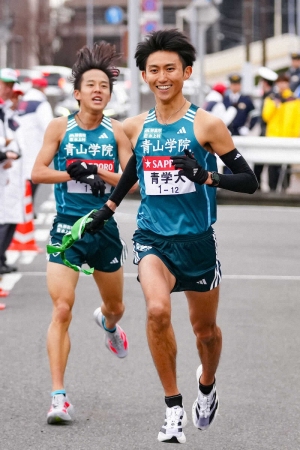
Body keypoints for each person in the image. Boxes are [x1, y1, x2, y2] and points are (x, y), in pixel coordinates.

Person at [84, 29, 258, 444]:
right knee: (157, 311)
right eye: (154, 69)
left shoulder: (207, 124)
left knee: (206, 333)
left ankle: (207, 386)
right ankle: (172, 408)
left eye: (170, 69)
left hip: (196, 241)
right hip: (152, 238)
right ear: (144, 75)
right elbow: (136, 170)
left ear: (186, 72)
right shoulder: (134, 126)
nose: (162, 76)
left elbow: (249, 181)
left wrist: (206, 175)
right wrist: (108, 208)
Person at [31, 41, 135, 424]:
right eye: (90, 85)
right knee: (61, 308)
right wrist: (69, 172)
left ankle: (108, 325)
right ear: (77, 93)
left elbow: (134, 182)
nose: (97, 90)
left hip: (103, 228)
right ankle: (59, 398)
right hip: (65, 230)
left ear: (110, 94)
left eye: (104, 86)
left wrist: (98, 173)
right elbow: (38, 173)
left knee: (117, 306)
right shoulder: (60, 127)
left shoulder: (118, 131)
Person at [18, 77, 53, 211]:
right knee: (34, 176)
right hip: (36, 145)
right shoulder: (41, 103)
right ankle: (28, 208)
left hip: (22, 144)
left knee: (25, 176)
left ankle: (26, 207)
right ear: (43, 88)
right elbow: (48, 126)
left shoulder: (23, 101)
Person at [0, 68, 23, 275]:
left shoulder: (7, 112)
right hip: (5, 170)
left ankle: (1, 259)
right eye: (4, 84)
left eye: (10, 86)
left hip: (8, 174)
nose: (7, 90)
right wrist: (4, 155)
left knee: (8, 217)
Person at [262, 71, 300, 191]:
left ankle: (285, 187)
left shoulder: (293, 99)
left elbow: (297, 119)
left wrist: (295, 135)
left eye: (284, 82)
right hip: (273, 136)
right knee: (273, 165)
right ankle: (272, 187)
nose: (282, 85)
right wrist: (275, 105)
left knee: (286, 165)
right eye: (280, 83)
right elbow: (266, 116)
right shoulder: (272, 98)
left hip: (288, 137)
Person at [253, 67, 278, 189]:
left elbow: (265, 117)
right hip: (266, 133)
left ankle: (264, 187)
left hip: (269, 133)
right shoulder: (269, 96)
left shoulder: (272, 97)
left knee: (267, 162)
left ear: (265, 82)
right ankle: (258, 186)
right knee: (260, 162)